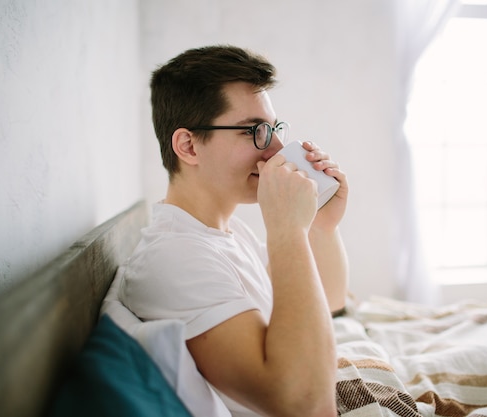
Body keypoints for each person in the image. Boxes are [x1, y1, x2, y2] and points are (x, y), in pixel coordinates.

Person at [118, 45, 349, 417]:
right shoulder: (177, 258)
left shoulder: (226, 233)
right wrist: (286, 230)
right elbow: (305, 404)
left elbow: (332, 300)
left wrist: (320, 226)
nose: (275, 149)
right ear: (189, 146)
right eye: (254, 131)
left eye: (274, 129)